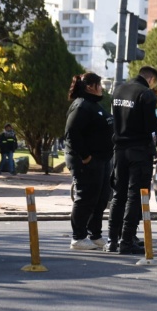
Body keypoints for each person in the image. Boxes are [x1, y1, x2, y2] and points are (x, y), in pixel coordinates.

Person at [106, 65, 157, 255]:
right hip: (139, 152)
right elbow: (152, 126)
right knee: (135, 197)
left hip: (120, 151)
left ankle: (112, 240)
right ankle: (127, 239)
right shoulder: (146, 95)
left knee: (118, 195)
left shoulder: (118, 90)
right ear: (151, 79)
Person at [64, 72, 114, 251]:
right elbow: (72, 134)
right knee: (85, 198)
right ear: (90, 86)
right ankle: (78, 237)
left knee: (100, 199)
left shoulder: (94, 105)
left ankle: (95, 235)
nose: (101, 87)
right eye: (99, 84)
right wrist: (86, 157)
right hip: (85, 162)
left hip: (101, 160)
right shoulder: (81, 106)